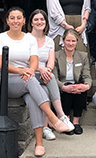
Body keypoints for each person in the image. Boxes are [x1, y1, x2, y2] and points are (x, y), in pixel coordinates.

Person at [0, 7, 70, 157]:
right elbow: (1, 64)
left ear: (24, 20)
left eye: (19, 18)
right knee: (31, 83)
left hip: (26, 77)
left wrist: (30, 71)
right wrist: (22, 71)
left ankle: (39, 143)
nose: (15, 21)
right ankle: (52, 118)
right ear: (7, 20)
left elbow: (34, 60)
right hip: (5, 79)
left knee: (32, 97)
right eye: (12, 18)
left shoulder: (29, 39)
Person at [29, 9, 76, 141]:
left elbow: (50, 63)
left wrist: (46, 70)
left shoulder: (49, 41)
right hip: (30, 74)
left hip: (44, 76)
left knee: (46, 86)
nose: (39, 22)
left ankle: (46, 127)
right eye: (36, 19)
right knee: (49, 80)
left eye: (42, 19)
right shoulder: (26, 39)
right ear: (31, 23)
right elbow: (25, 61)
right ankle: (60, 116)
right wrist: (40, 69)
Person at [54, 29, 92, 135]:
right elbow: (54, 78)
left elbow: (87, 75)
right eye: (68, 40)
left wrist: (87, 86)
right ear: (63, 41)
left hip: (76, 85)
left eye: (73, 41)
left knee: (80, 88)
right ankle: (66, 120)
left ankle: (76, 122)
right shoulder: (56, 56)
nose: (70, 43)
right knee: (68, 87)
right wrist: (63, 87)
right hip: (63, 86)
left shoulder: (83, 56)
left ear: (77, 42)